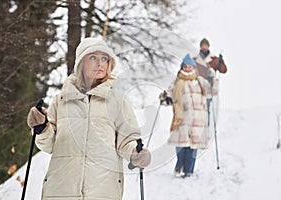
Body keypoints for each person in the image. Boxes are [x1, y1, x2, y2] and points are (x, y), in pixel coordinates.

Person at [27, 37, 151, 200]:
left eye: (104, 58)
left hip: (102, 191)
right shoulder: (61, 100)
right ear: (80, 63)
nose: (100, 63)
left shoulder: (117, 101)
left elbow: (127, 141)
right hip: (61, 190)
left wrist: (136, 153)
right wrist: (42, 127)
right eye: (93, 57)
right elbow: (50, 145)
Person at [160, 54, 217, 177]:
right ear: (182, 67)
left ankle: (189, 171)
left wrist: (213, 78)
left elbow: (213, 91)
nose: (188, 68)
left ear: (194, 67)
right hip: (182, 119)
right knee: (181, 145)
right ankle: (180, 164)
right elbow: (168, 97)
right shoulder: (177, 82)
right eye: (185, 66)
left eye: (190, 66)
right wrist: (165, 98)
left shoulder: (200, 81)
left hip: (198, 119)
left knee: (193, 146)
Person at [194, 38, 219, 126]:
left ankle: (206, 127)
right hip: (198, 87)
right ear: (200, 46)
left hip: (209, 86)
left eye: (205, 45)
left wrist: (220, 63)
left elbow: (223, 70)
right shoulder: (195, 59)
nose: (204, 47)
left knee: (206, 108)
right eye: (202, 45)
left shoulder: (214, 59)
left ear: (208, 46)